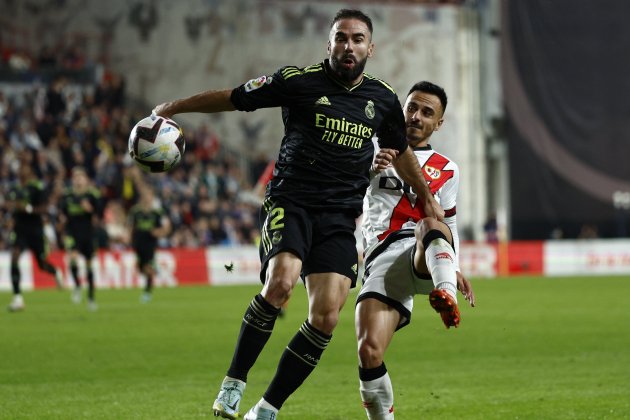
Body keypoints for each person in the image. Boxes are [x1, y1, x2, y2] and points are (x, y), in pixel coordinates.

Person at [153, 9, 442, 419]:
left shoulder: (382, 99)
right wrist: (174, 107)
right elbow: (235, 97)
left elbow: (403, 153)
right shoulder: (297, 82)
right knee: (281, 283)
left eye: (358, 39)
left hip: (339, 219)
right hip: (291, 203)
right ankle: (233, 384)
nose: (349, 46)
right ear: (329, 43)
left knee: (325, 317)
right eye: (341, 37)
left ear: (370, 48)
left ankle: (267, 408)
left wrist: (426, 196)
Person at [355, 81, 476, 419]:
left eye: (427, 113)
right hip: (381, 259)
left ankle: (445, 293)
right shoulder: (371, 148)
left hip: (422, 252)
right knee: (369, 351)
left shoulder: (447, 168)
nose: (416, 117)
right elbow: (342, 192)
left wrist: (455, 266)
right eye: (412, 108)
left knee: (429, 224)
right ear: (402, 109)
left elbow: (448, 221)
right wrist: (367, 169)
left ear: (439, 123)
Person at [6, 163, 63, 312]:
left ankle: (55, 272)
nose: (20, 170)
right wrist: (11, 212)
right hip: (20, 230)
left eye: (23, 168)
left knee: (41, 264)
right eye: (19, 168)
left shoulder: (37, 187)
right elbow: (10, 205)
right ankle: (17, 298)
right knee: (14, 257)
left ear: (29, 171)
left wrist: (28, 209)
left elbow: (45, 208)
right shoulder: (15, 189)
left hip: (36, 230)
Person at [58, 166, 103, 311]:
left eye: (81, 177)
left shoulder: (93, 195)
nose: (78, 180)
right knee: (72, 258)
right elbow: (62, 214)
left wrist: (89, 209)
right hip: (73, 233)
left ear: (86, 180)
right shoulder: (67, 196)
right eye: (75, 177)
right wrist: (61, 223)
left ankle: (91, 298)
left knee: (89, 266)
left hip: (88, 233)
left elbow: (98, 216)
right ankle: (77, 286)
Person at [128, 186, 170, 303]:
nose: (147, 198)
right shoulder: (135, 211)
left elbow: (167, 226)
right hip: (138, 242)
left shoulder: (158, 212)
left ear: (152, 197)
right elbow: (131, 227)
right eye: (145, 196)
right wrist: (129, 239)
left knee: (148, 267)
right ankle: (153, 271)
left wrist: (160, 232)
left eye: (149, 196)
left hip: (150, 243)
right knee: (141, 268)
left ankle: (147, 292)